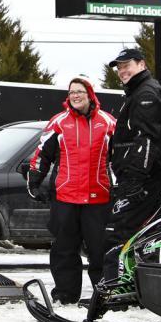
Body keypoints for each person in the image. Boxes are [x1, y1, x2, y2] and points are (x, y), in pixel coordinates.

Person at [26, 76, 115, 304]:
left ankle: (105, 295)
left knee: (100, 250)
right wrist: (34, 183)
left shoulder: (108, 123)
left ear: (90, 95)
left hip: (99, 197)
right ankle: (65, 294)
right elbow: (41, 154)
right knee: (64, 249)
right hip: (66, 197)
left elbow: (122, 158)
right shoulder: (59, 123)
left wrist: (124, 186)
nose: (75, 96)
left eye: (80, 92)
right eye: (72, 92)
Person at [99, 47, 161, 285]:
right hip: (136, 177)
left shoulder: (146, 94)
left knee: (118, 231)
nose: (122, 71)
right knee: (132, 232)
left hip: (141, 180)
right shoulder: (138, 92)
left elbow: (147, 138)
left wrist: (135, 179)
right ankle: (132, 286)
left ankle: (116, 288)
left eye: (126, 65)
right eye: (119, 67)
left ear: (141, 64)